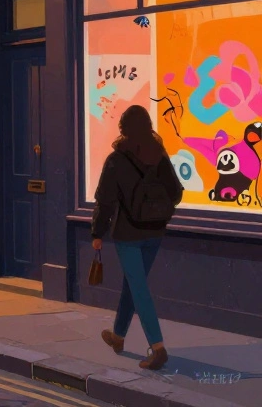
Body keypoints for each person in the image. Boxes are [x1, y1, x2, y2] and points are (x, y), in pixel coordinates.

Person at [92, 105, 183, 371]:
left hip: (128, 233)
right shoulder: (159, 154)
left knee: (138, 287)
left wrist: (97, 232)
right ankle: (118, 337)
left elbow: (105, 201)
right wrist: (158, 209)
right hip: (154, 231)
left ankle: (158, 348)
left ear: (123, 128)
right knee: (133, 283)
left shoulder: (116, 159)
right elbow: (176, 193)